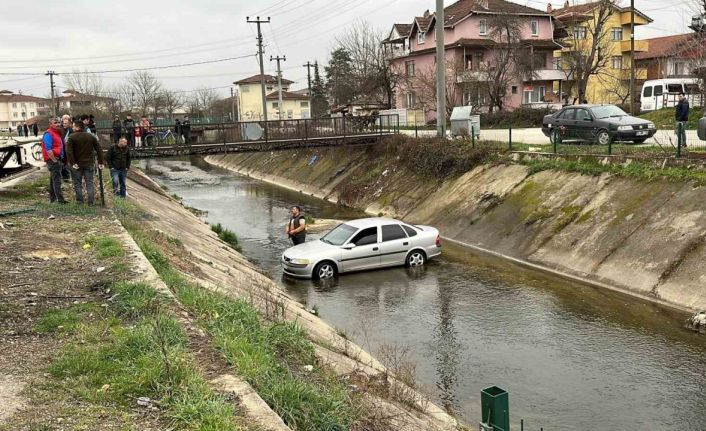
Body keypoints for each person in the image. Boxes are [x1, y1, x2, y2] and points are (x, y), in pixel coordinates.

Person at [65, 121, 104, 205]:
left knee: (77, 183)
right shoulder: (91, 136)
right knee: (89, 183)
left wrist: (72, 162)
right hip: (89, 163)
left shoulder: (71, 137)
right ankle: (91, 202)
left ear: (78, 127)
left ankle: (80, 202)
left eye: (74, 126)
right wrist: (101, 162)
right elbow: (99, 149)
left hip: (77, 164)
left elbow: (69, 152)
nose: (72, 128)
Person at [42, 117, 67, 204]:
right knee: (57, 180)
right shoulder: (48, 134)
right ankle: (60, 200)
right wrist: (54, 160)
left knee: (53, 179)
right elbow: (48, 149)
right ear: (50, 124)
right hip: (53, 160)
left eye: (59, 122)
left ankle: (53, 199)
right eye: (55, 123)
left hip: (57, 159)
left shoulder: (57, 133)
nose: (58, 124)